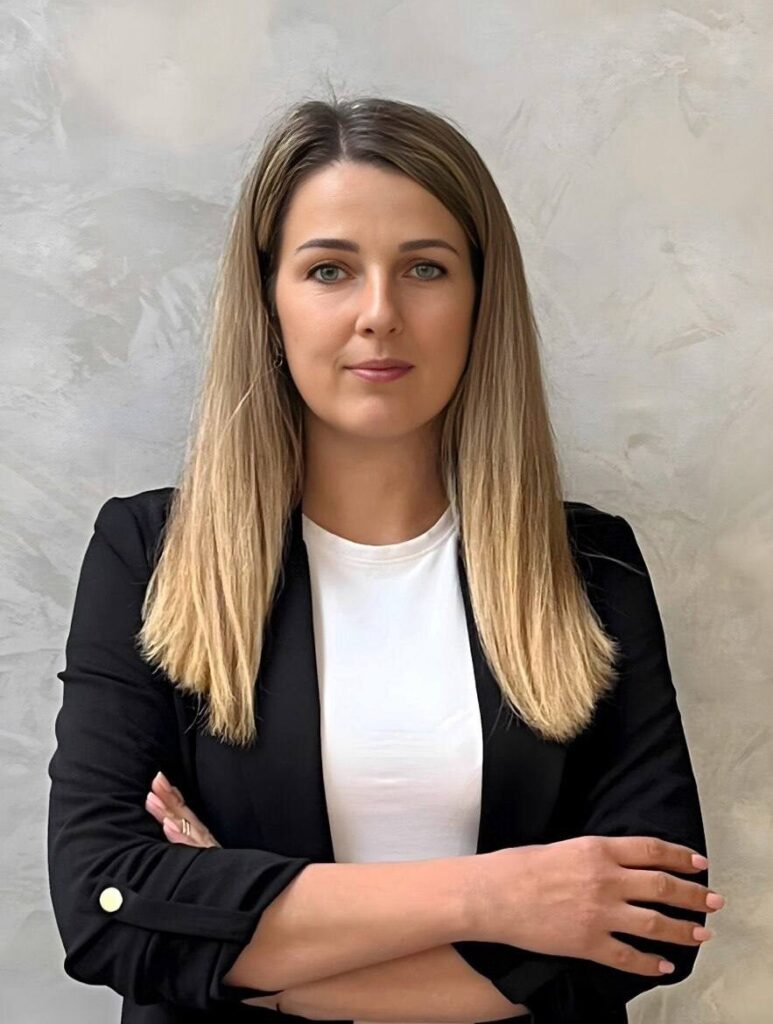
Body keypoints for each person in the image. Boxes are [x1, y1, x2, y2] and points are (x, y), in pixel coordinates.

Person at [47, 94, 723, 1024]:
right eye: (329, 269)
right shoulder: (149, 555)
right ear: (269, 300)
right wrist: (498, 897)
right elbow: (107, 910)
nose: (379, 314)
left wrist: (244, 950)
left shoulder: (589, 568)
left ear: (480, 299)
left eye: (425, 269)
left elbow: (652, 925)